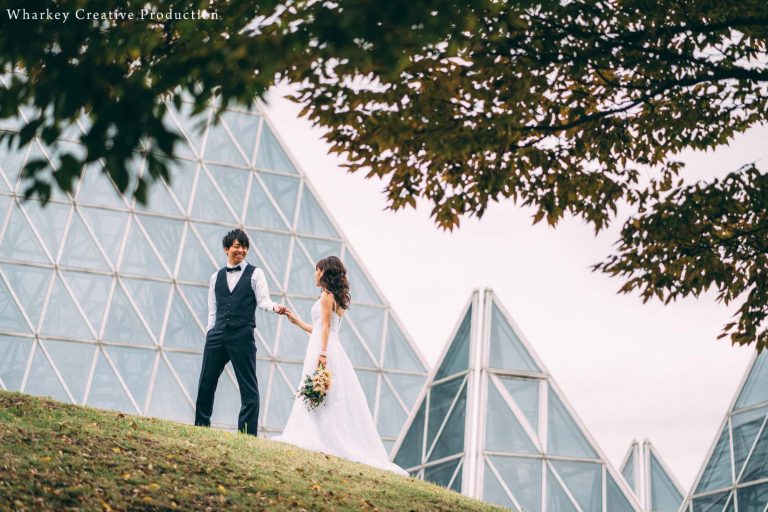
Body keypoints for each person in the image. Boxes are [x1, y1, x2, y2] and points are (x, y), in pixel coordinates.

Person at [272, 256, 408, 476]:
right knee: (329, 394)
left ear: (324, 272)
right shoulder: (335, 297)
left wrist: (322, 353)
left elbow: (325, 327)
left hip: (323, 348)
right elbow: (322, 328)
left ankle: (315, 434)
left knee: (319, 391)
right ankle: (322, 433)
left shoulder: (326, 296)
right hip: (330, 346)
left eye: (317, 270)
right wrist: (297, 322)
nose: (315, 273)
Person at [194, 228, 287, 436]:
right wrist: (210, 333)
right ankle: (200, 426)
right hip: (217, 335)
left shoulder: (255, 273)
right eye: (237, 246)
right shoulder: (215, 277)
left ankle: (247, 434)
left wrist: (275, 307)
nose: (241, 250)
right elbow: (212, 310)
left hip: (242, 335)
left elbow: (263, 300)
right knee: (206, 383)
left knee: (248, 387)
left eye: (245, 247)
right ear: (226, 249)